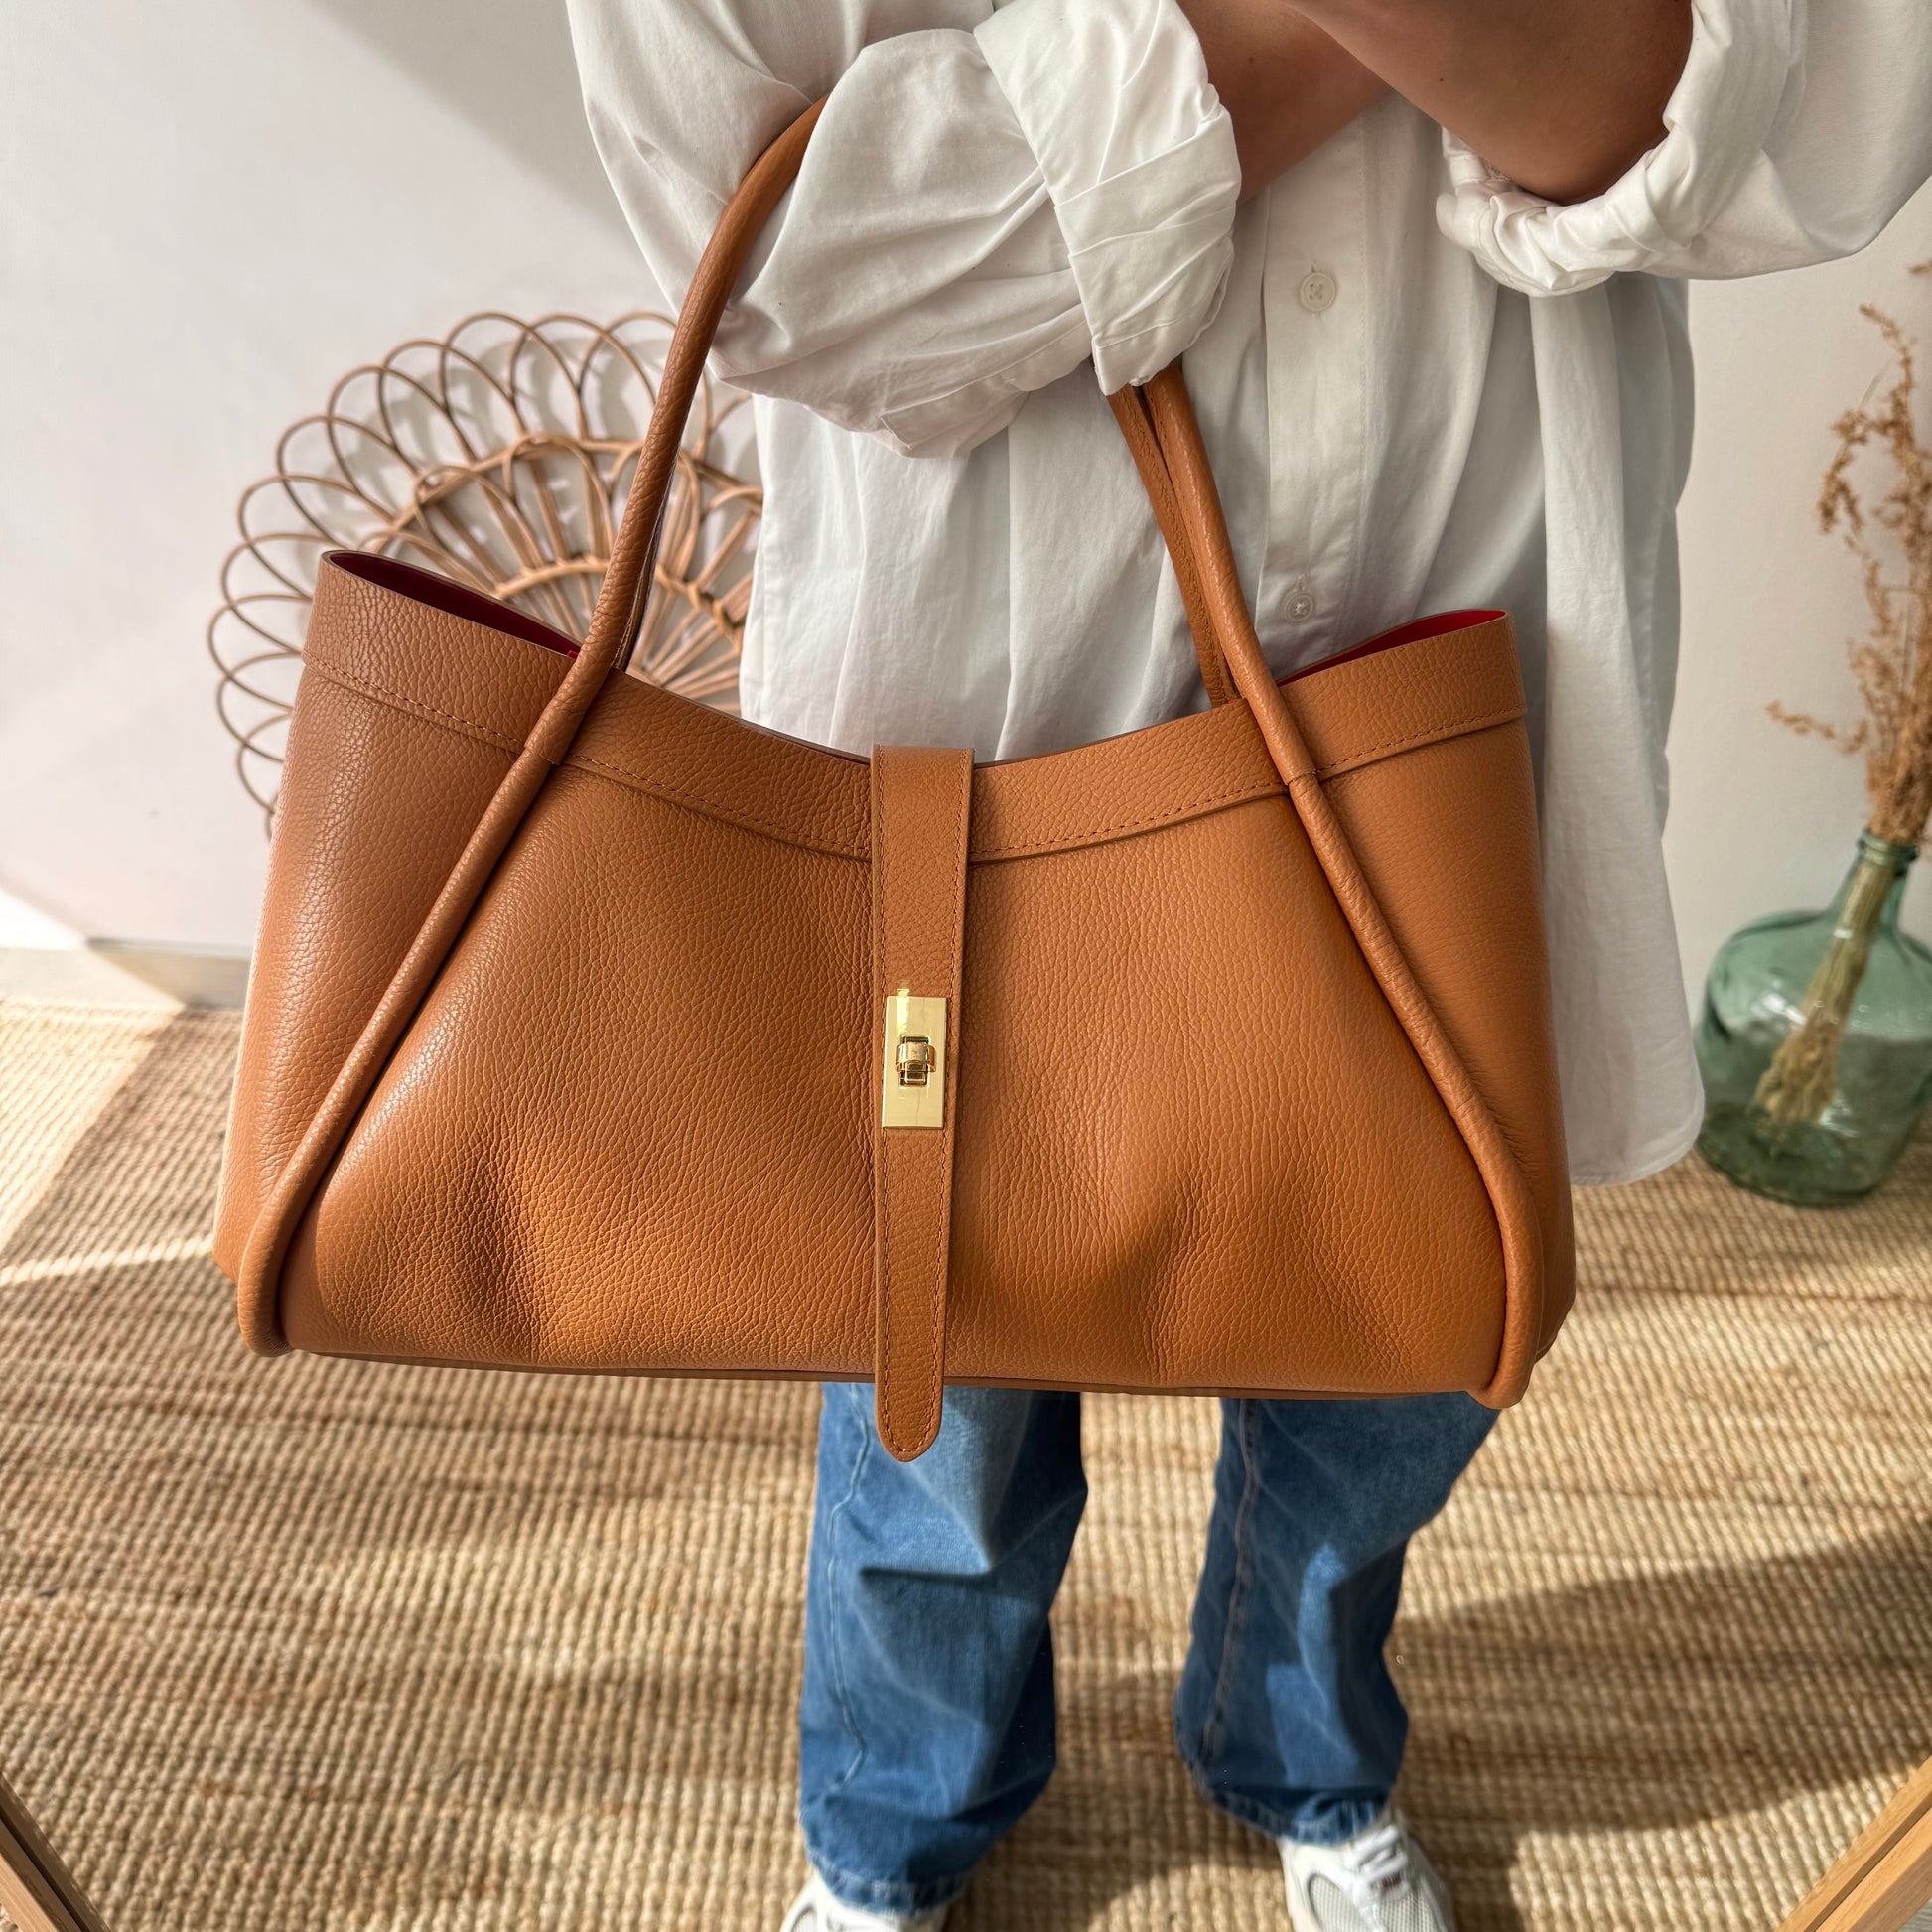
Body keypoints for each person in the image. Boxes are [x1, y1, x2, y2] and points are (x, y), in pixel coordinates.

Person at [564, 2, 1932, 1925]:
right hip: (986, 699)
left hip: (1470, 632)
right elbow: (810, 274)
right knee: (936, 1379)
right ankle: (893, 1820)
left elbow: (1789, 122)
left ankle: (1301, 1752)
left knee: (1394, 1339)